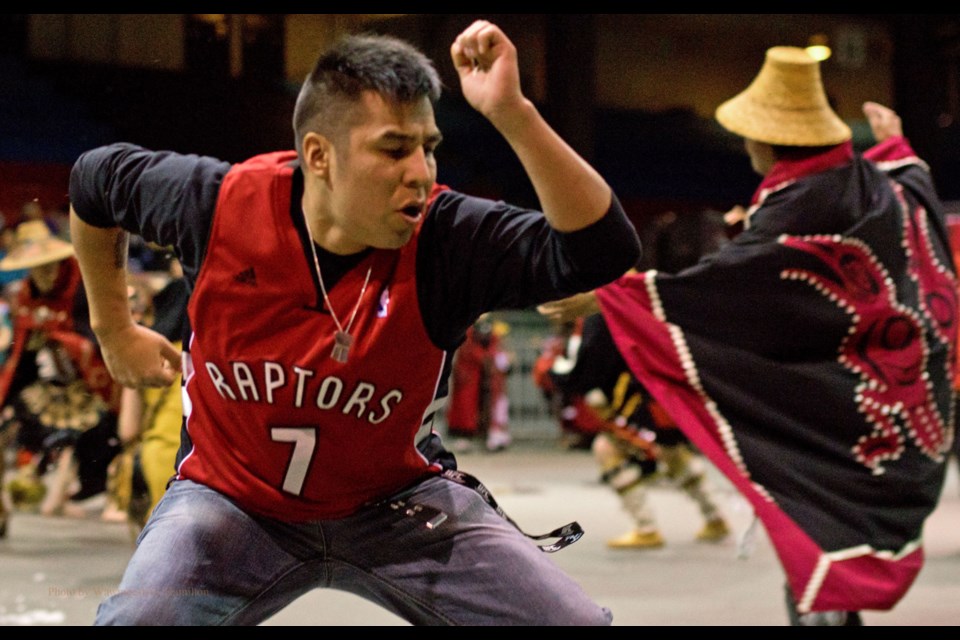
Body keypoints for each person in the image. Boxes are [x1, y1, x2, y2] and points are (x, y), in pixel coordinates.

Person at [67, 20, 641, 626]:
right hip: (232, 501)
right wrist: (114, 330)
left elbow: (604, 249)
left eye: (429, 146)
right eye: (394, 149)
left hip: (397, 503)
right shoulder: (216, 205)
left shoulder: (447, 237)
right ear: (319, 155)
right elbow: (93, 180)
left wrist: (514, 112)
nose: (420, 171)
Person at [539, 47, 956, 626]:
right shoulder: (860, 182)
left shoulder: (798, 204)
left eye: (749, 135)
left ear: (770, 140)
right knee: (811, 555)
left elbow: (725, 287)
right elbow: (912, 198)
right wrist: (899, 150)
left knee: (815, 541)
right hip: (865, 398)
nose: (744, 146)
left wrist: (609, 294)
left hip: (838, 411)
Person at [0, 220, 121, 536]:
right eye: (36, 269)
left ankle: (109, 498)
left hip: (94, 382)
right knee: (8, 423)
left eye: (48, 267)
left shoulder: (85, 286)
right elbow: (20, 358)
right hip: (48, 384)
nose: (44, 275)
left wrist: (60, 338)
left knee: (96, 434)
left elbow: (103, 337)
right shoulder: (26, 296)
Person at [446, 314, 514, 452]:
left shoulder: (494, 339)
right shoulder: (468, 335)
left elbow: (497, 356)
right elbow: (471, 352)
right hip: (470, 380)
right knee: (466, 408)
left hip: (488, 380)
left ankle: (492, 435)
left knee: (493, 407)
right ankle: (465, 436)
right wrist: (486, 358)